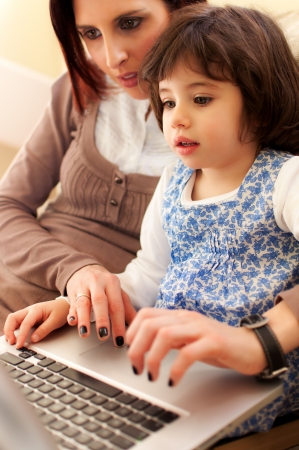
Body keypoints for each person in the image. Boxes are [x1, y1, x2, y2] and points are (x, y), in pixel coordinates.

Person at [5, 3, 299, 435]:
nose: (176, 117)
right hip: (168, 374)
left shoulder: (285, 179)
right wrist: (73, 306)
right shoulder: (175, 180)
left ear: (258, 99)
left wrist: (261, 341)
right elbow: (148, 275)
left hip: (254, 377)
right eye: (167, 100)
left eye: (201, 99)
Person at [0, 0, 206, 342]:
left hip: (82, 338)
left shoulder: (229, 120)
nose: (111, 58)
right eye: (91, 34)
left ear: (182, 7)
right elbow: (7, 206)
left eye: (129, 23)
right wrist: (75, 269)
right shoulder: (79, 87)